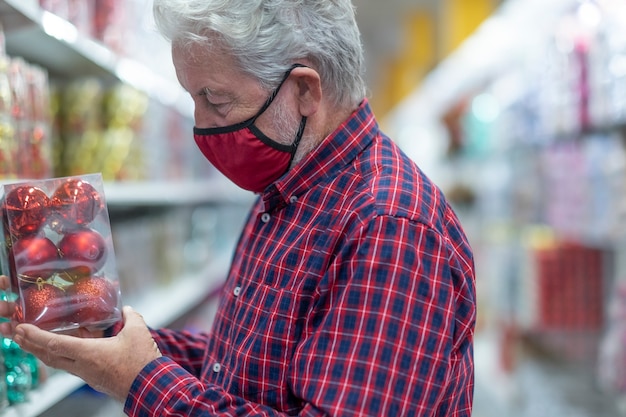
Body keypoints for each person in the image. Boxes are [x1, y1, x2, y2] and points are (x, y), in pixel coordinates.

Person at [0, 0, 477, 415]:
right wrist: (109, 336)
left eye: (215, 99)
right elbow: (250, 365)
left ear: (305, 91)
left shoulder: (390, 229)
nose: (200, 125)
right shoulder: (290, 192)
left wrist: (138, 381)